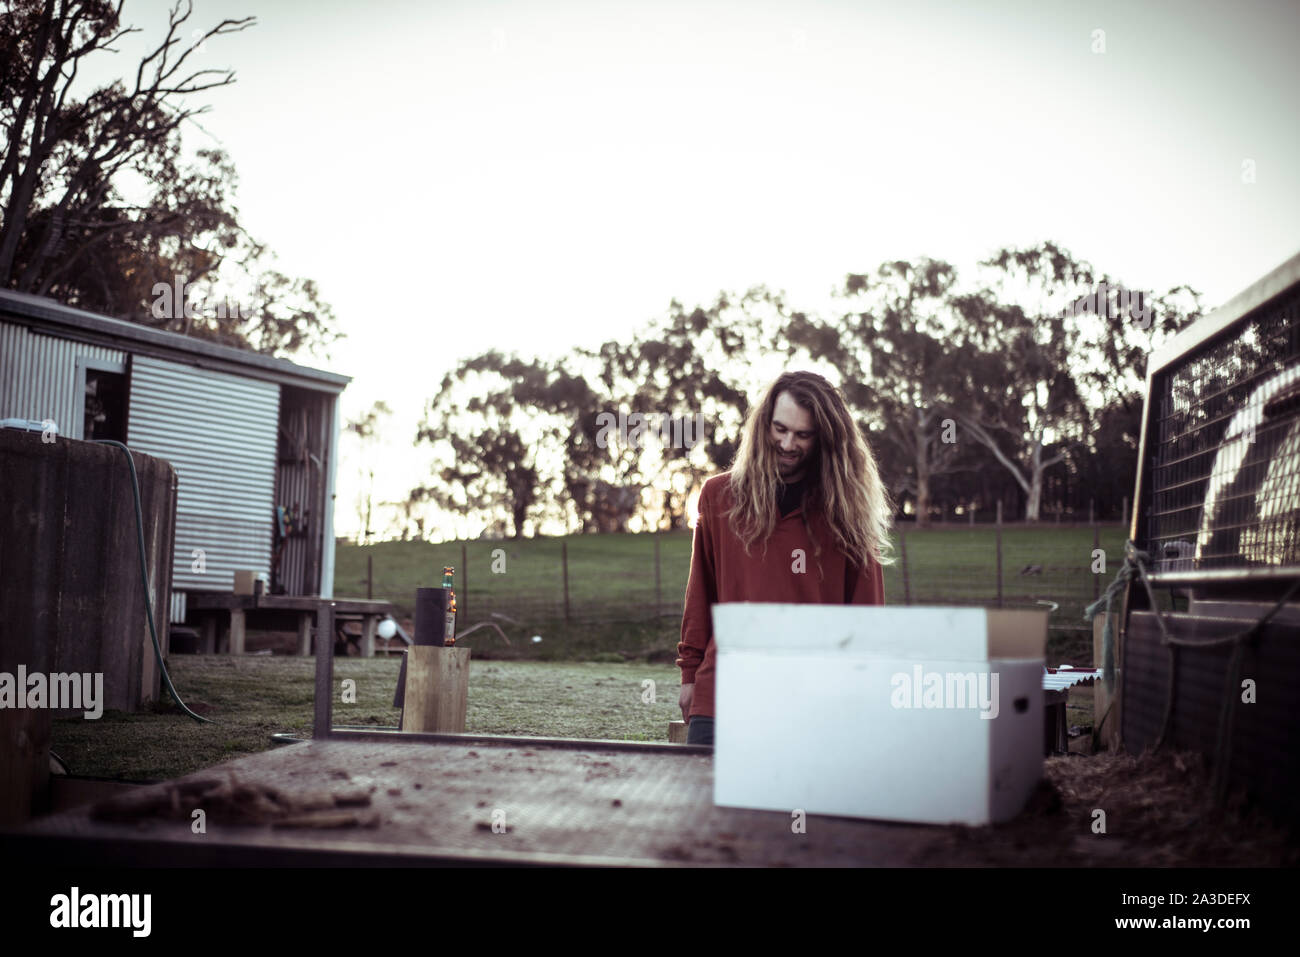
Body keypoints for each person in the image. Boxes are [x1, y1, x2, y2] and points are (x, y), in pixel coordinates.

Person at [676, 371, 893, 746]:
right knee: (706, 807)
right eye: (780, 429)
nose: (788, 443)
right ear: (764, 425)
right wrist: (690, 677)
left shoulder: (847, 512)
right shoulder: (719, 496)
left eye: (802, 435)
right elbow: (701, 594)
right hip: (722, 700)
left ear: (824, 438)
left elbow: (866, 616)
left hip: (813, 704)